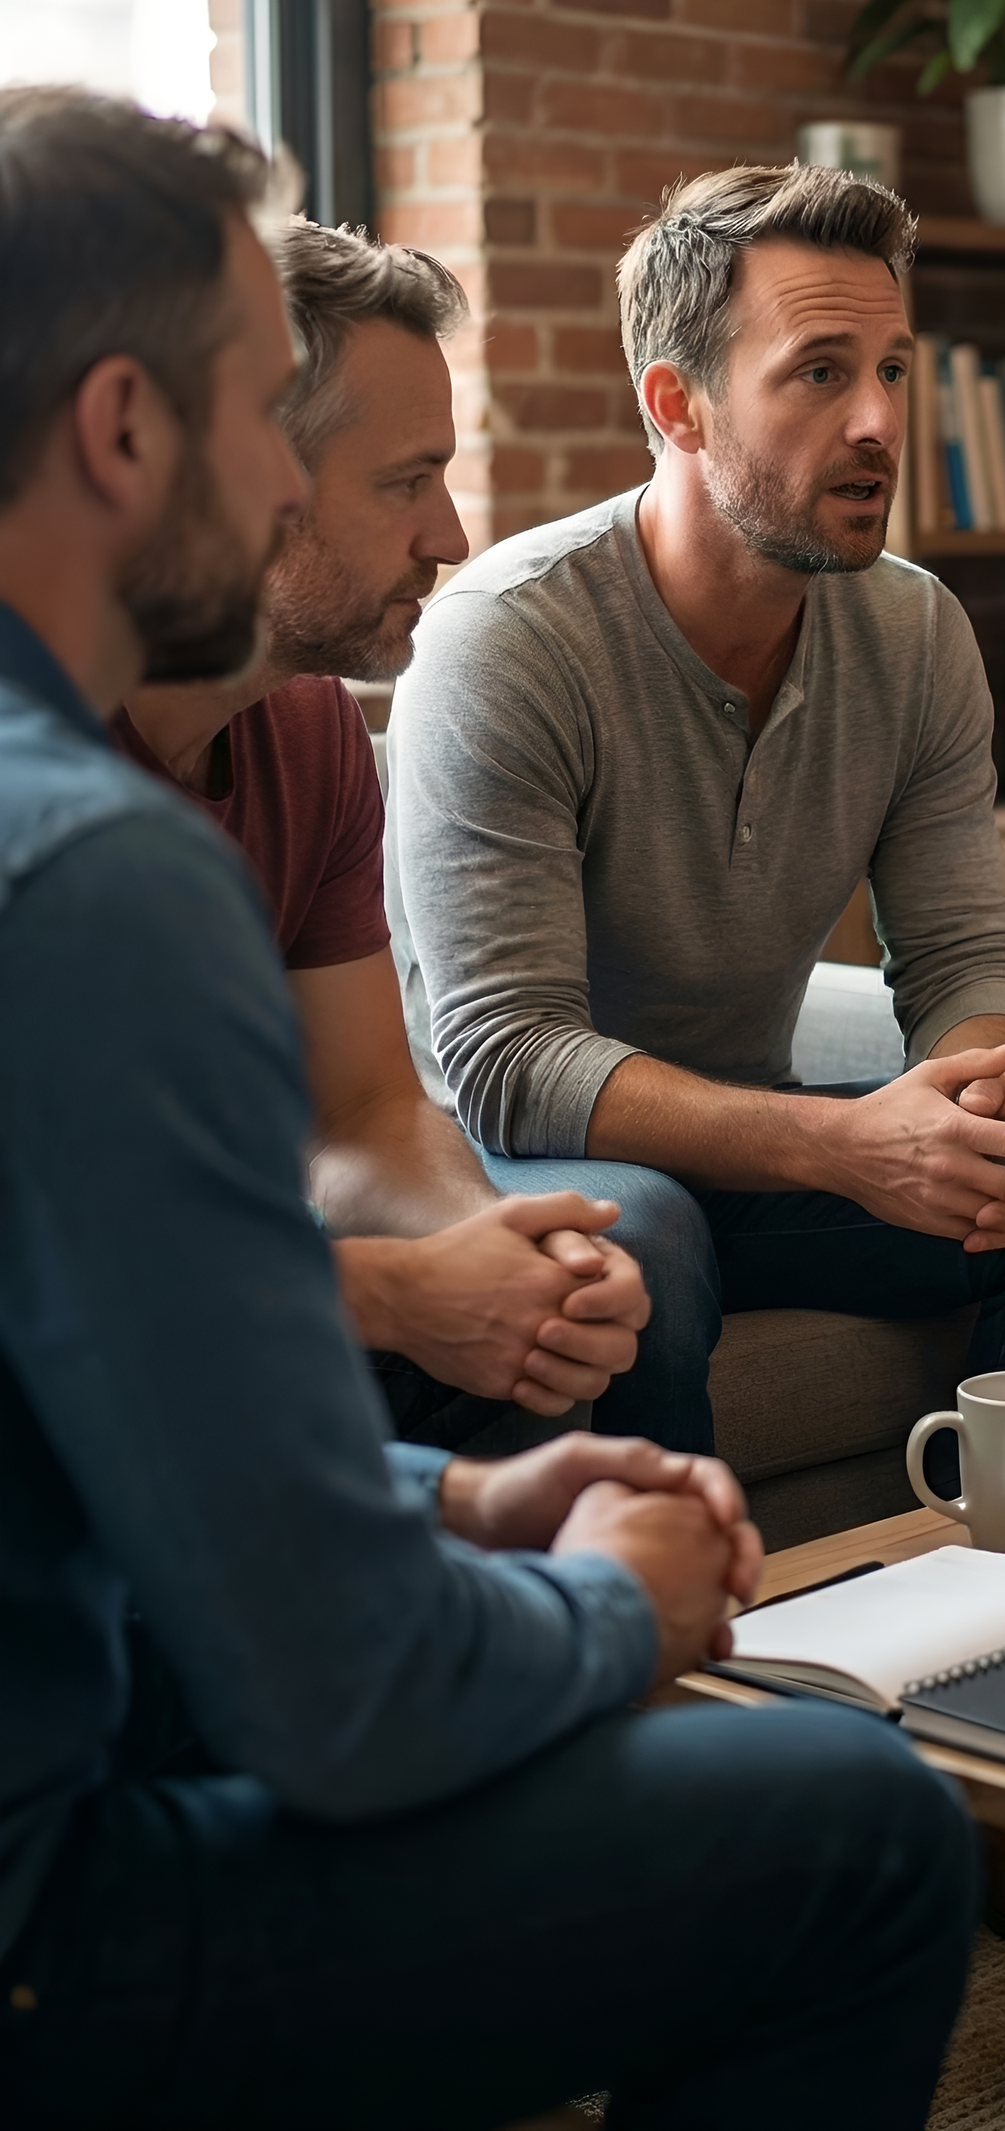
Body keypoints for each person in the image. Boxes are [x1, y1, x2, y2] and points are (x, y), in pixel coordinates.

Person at [0, 87, 976, 2127]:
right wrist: (615, 1603)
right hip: (50, 1900)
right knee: (864, 1826)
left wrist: (460, 1502)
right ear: (122, 431)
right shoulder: (90, 872)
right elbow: (337, 1693)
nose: (408, 523)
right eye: (275, 416)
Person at [382, 158, 1005, 1962]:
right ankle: (691, 1815)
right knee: (641, 1228)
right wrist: (846, 1153)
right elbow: (501, 1056)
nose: (882, 419)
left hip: (741, 1161)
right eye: (818, 372)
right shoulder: (512, 642)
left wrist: (977, 1090)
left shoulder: (909, 632)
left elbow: (970, 955)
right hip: (503, 1180)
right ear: (677, 405)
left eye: (894, 368)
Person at [114, 215, 653, 1447]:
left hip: (217, 1287)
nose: (451, 538)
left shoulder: (311, 732)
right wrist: (395, 1296)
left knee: (584, 1298)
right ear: (244, 478)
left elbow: (359, 1115)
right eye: (405, 482)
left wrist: (494, 1249)